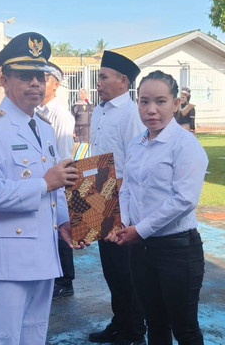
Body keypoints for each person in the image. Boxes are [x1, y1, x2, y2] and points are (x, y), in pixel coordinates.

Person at [0, 32, 83, 344]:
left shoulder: (43, 127)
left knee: (34, 335)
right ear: (1, 79)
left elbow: (57, 183)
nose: (35, 83)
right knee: (3, 338)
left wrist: (64, 222)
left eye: (40, 76)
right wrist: (44, 183)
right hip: (6, 259)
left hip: (42, 254)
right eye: (24, 76)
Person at [105, 70, 207, 345]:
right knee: (155, 323)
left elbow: (184, 199)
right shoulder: (137, 144)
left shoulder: (185, 145)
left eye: (160, 101)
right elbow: (126, 188)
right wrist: (123, 223)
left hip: (177, 251)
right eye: (144, 101)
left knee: (184, 328)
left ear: (176, 104)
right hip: (141, 249)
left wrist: (141, 230)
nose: (151, 110)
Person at [89, 50, 147, 345]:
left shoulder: (130, 113)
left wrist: (124, 212)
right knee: (111, 269)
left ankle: (134, 330)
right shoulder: (99, 110)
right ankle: (120, 322)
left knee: (127, 271)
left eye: (103, 77)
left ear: (122, 81)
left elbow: (135, 164)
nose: (97, 82)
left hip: (122, 201)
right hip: (99, 196)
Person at [35, 61, 77, 299]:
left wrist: (59, 179)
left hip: (58, 178)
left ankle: (65, 280)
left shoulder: (60, 115)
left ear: (56, 84)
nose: (39, 83)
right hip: (45, 180)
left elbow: (62, 153)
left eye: (44, 79)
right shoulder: (38, 111)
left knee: (62, 228)